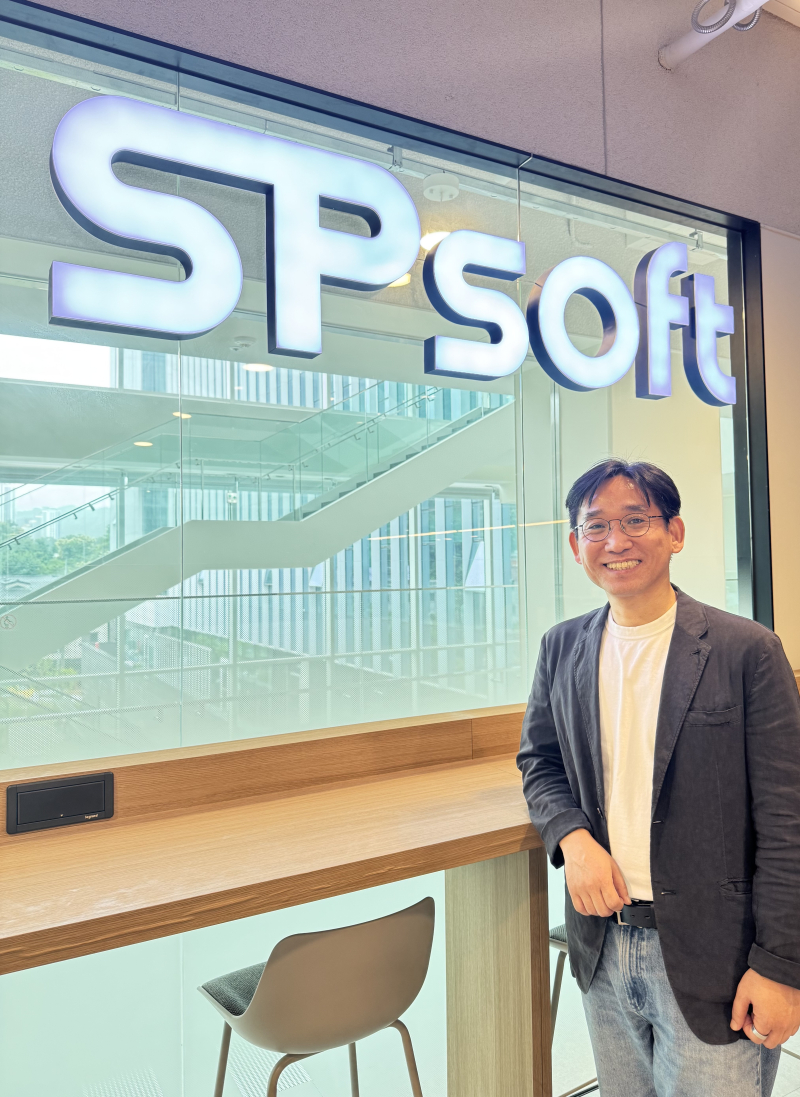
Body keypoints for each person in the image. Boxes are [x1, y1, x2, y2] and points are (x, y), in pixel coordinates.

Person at [517, 458, 800, 1096]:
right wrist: (572, 839)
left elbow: (788, 820)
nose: (615, 541)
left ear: (674, 533)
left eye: (635, 521)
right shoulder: (561, 647)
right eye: (595, 526)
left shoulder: (747, 650)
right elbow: (539, 761)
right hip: (602, 946)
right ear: (576, 546)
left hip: (718, 956)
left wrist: (782, 967)